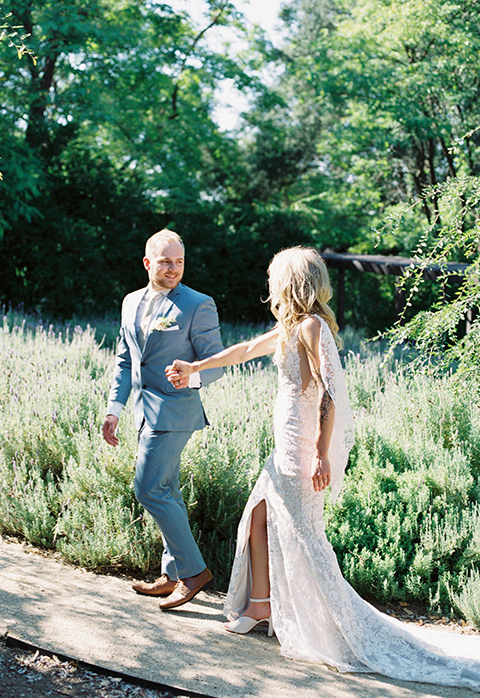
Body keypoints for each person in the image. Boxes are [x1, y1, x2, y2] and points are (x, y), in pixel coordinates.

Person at [166, 246, 480, 692]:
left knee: (304, 536)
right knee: (258, 517)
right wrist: (196, 366)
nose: (270, 284)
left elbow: (330, 393)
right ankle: (261, 605)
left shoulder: (313, 327)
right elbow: (245, 349)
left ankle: (322, 621)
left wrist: (319, 454)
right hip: (284, 446)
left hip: (301, 449)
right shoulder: (290, 325)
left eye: (276, 277)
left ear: (291, 282)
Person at [103, 229, 224, 610]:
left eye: (179, 262)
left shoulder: (198, 304)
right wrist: (114, 409)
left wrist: (194, 375)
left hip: (176, 411)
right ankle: (171, 575)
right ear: (147, 263)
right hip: (143, 411)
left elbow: (217, 361)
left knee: (148, 488)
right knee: (167, 490)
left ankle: (194, 573)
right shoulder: (130, 303)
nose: (174, 269)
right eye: (166, 261)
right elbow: (126, 361)